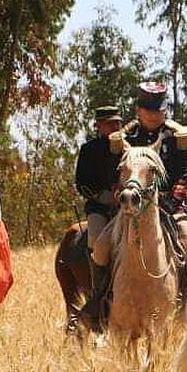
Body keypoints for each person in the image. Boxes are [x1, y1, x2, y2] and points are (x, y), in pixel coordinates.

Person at [81, 84, 187, 325]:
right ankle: (100, 301)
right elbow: (113, 173)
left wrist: (173, 198)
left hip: (170, 207)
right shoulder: (124, 138)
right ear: (138, 110)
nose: (154, 115)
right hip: (131, 210)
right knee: (101, 248)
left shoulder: (177, 136)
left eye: (158, 110)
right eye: (149, 110)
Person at [74, 105, 125, 310]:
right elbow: (82, 183)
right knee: (95, 237)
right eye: (109, 123)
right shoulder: (89, 150)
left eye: (117, 123)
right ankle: (98, 291)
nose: (114, 127)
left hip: (129, 206)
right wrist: (105, 197)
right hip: (100, 207)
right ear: (99, 126)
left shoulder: (128, 147)